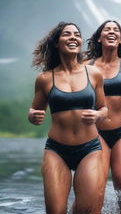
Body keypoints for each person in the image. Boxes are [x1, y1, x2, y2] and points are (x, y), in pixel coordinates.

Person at [28, 22, 107, 214]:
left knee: (87, 210)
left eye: (77, 34)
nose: (73, 37)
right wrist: (32, 115)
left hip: (89, 148)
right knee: (55, 211)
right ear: (56, 43)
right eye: (67, 34)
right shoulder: (45, 79)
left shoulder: (94, 74)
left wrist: (97, 114)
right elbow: (34, 110)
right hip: (57, 150)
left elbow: (104, 108)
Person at [84, 20, 121, 212]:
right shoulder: (86, 66)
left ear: (120, 39)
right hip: (96, 132)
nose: (111, 32)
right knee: (97, 183)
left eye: (116, 30)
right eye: (107, 29)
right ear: (99, 38)